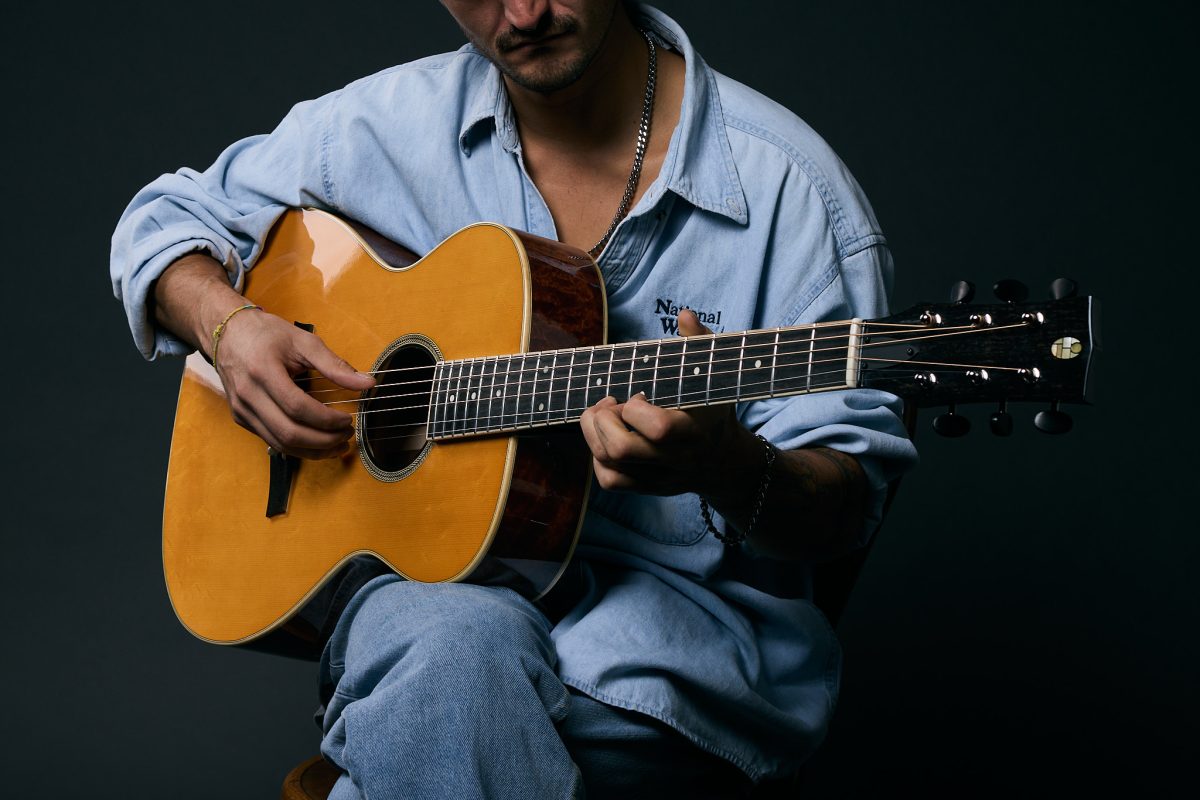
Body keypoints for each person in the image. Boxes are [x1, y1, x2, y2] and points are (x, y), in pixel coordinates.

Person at [111, 1, 917, 796]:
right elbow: (162, 221)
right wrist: (231, 326)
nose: (525, 11)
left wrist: (728, 464)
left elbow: (842, 512)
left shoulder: (793, 192)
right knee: (446, 645)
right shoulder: (383, 125)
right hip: (432, 628)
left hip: (663, 673)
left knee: (432, 698)